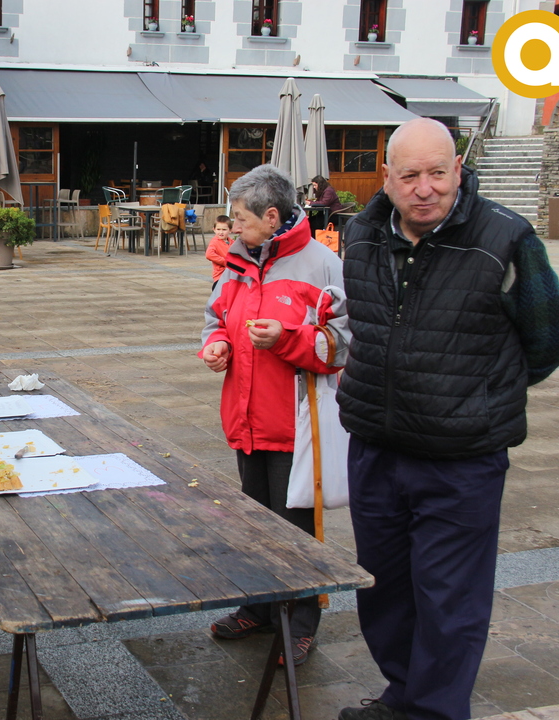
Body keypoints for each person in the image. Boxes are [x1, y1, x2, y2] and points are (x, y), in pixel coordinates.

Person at [336, 118, 559, 720]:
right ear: (386, 177)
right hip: (376, 447)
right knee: (384, 590)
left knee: (449, 602)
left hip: (460, 458)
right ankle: (404, 696)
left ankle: (434, 711)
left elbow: (551, 336)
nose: (425, 189)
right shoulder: (360, 235)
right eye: (410, 175)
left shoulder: (506, 237)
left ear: (458, 171)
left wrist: (481, 394)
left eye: (438, 173)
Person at [200, 164, 349, 667]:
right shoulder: (236, 263)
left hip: (295, 425)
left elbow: (344, 343)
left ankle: (301, 624)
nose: (233, 227)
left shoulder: (322, 265)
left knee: (295, 530)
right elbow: (215, 318)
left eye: (240, 219)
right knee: (253, 524)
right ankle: (259, 608)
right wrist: (217, 345)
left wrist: (289, 340)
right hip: (245, 419)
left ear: (270, 216)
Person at [204, 214, 233, 287]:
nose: (221, 232)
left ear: (230, 230)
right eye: (218, 229)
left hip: (232, 276)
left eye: (224, 229)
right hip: (220, 277)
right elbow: (209, 254)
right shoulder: (214, 242)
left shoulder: (233, 243)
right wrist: (224, 262)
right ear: (214, 229)